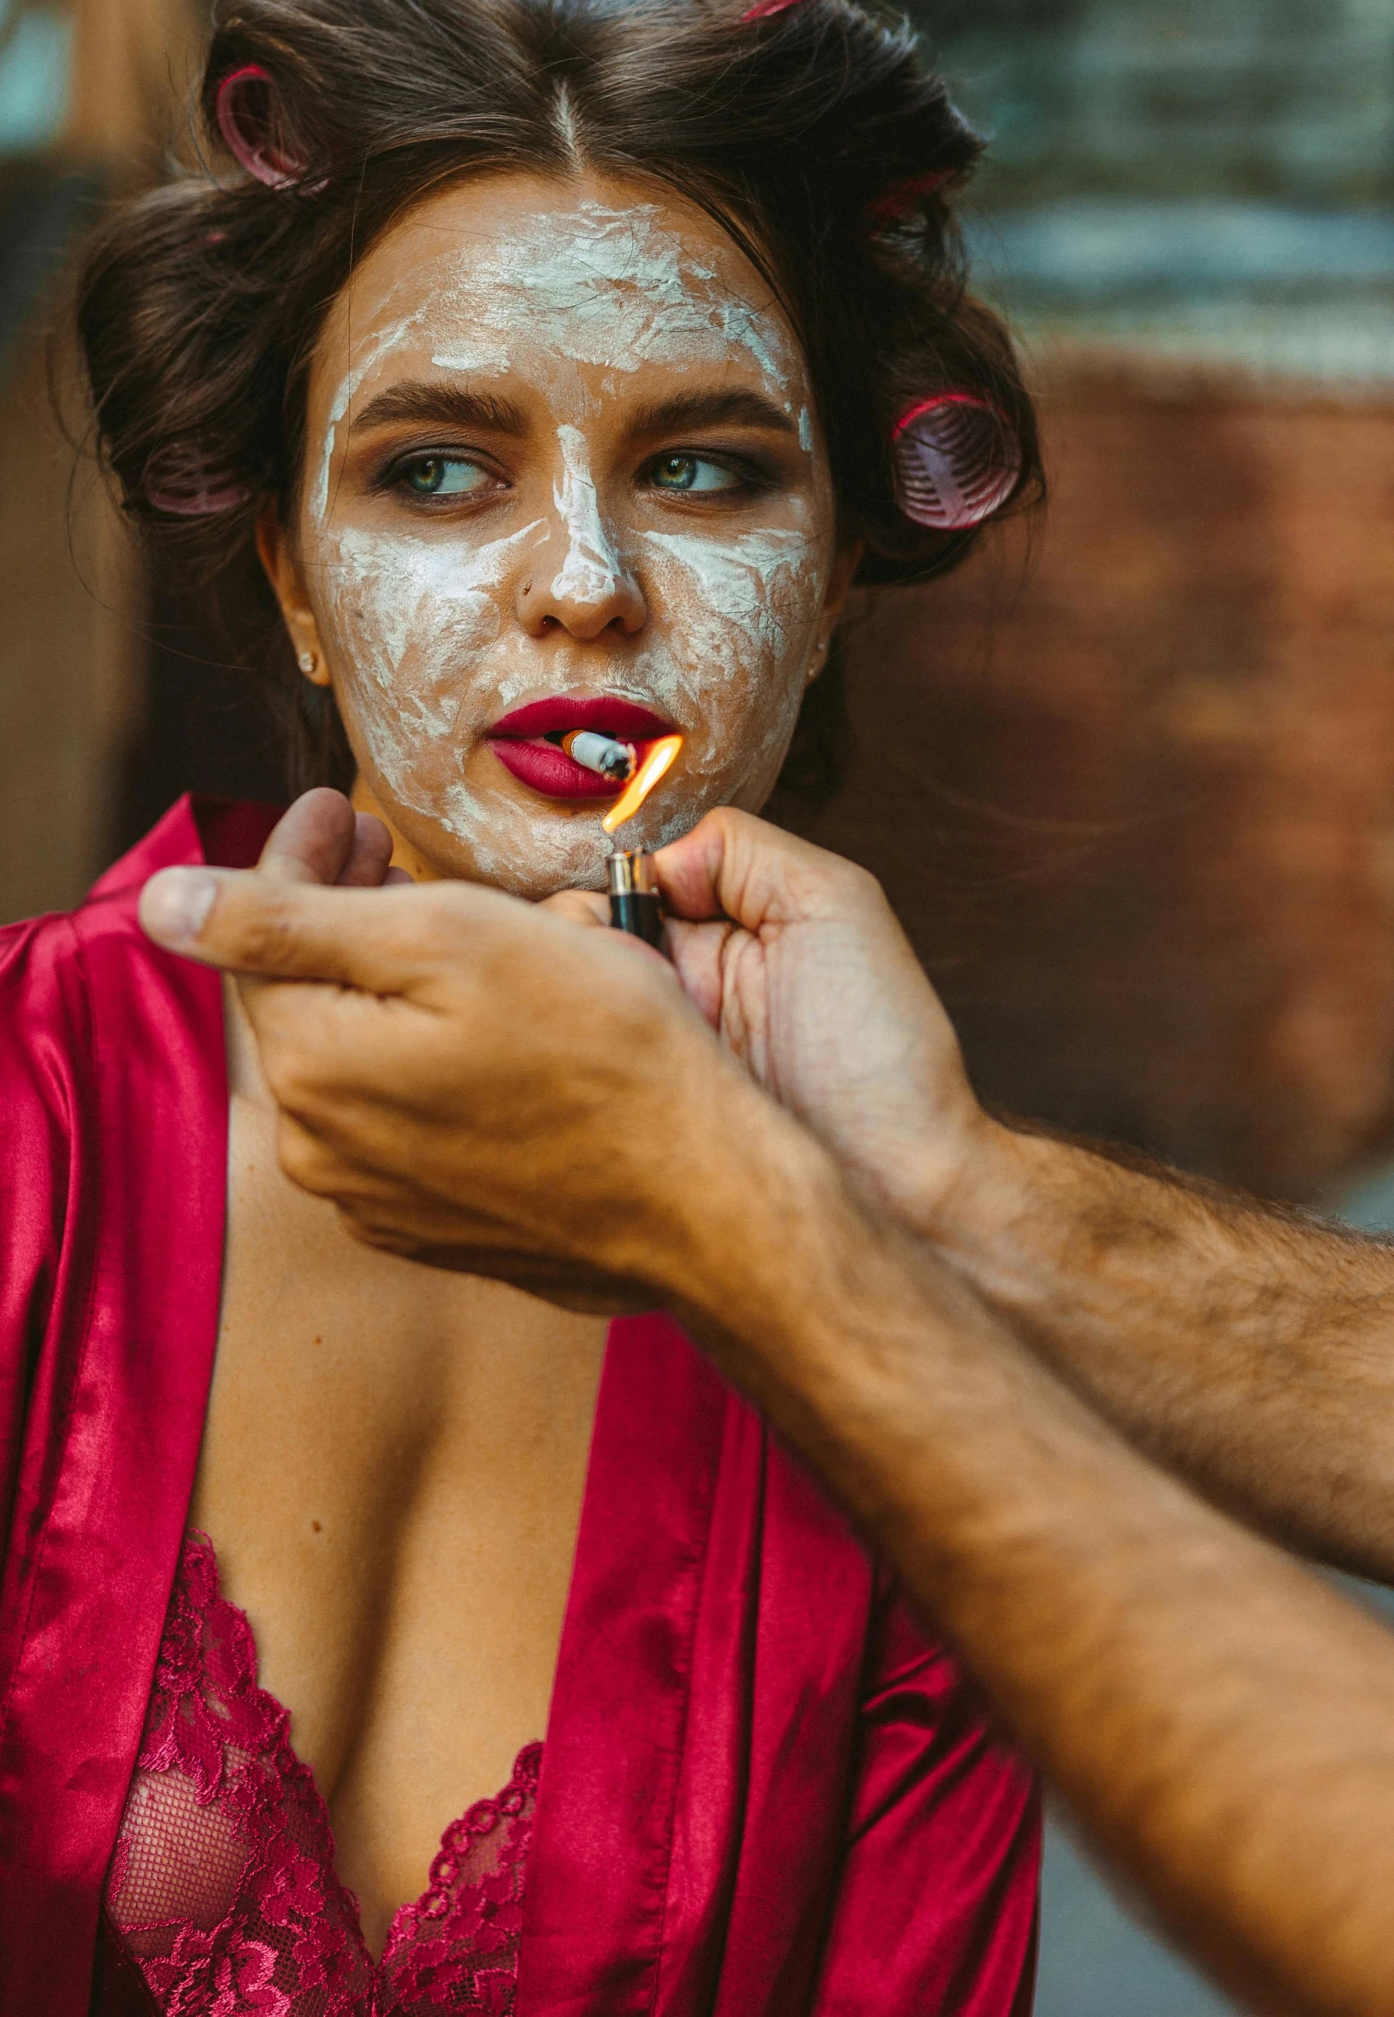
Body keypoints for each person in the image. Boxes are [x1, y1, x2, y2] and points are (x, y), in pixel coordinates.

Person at [0, 0, 1047, 2015]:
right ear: (292, 571)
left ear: (840, 564)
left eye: (698, 463)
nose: (581, 579)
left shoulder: (938, 1330)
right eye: (436, 466)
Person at [137, 788, 1394, 2017]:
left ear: (836, 600)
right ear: (292, 594)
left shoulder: (847, 1555)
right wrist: (944, 1190)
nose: (584, 586)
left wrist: (777, 1235)